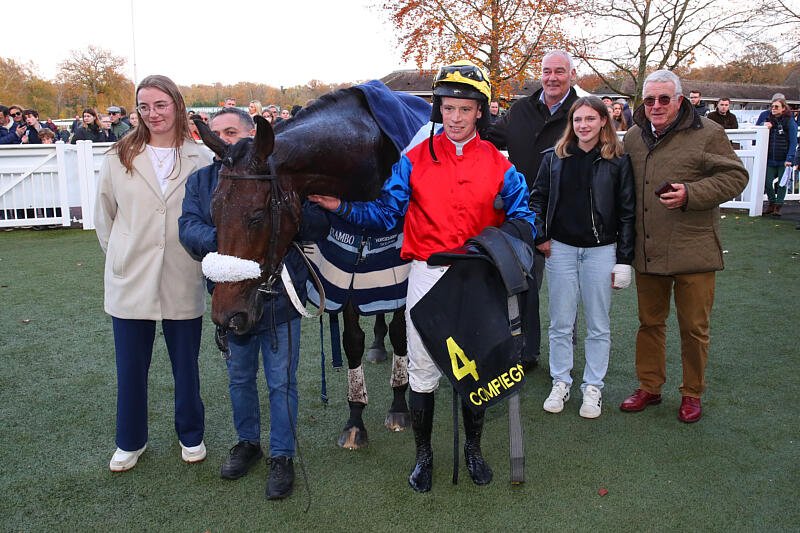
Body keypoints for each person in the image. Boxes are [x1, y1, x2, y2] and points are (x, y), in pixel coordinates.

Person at [309, 60, 536, 493]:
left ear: (480, 112)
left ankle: (473, 450)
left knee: (477, 366)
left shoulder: (500, 165)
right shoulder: (413, 160)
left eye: (465, 109)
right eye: (448, 108)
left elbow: (524, 218)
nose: (456, 117)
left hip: (477, 278)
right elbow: (384, 215)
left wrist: (496, 244)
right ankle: (423, 455)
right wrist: (339, 206)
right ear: (438, 109)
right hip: (427, 276)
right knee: (423, 367)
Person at [178, 107, 326, 499]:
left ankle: (282, 455)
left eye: (232, 131)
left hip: (280, 298)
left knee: (281, 382)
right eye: (218, 133)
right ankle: (247, 443)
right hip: (231, 295)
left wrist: (287, 217)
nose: (224, 139)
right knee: (240, 378)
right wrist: (232, 241)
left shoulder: (286, 176)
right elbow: (188, 228)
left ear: (251, 135)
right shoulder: (202, 181)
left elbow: (319, 225)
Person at [94, 74, 213, 472]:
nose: (152, 113)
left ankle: (191, 435)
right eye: (144, 106)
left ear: (177, 105)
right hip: (131, 277)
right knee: (130, 368)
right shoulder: (118, 155)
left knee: (186, 366)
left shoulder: (201, 158)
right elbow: (105, 217)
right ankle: (130, 441)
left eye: (160, 105)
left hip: (183, 272)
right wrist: (122, 255)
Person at [619, 70, 748, 423]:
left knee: (693, 328)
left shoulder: (708, 132)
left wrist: (691, 193)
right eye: (650, 100)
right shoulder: (634, 136)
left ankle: (692, 392)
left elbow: (736, 176)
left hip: (694, 250)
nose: (656, 106)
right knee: (649, 323)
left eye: (664, 99)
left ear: (679, 100)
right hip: (648, 249)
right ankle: (649, 386)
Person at [530, 96, 635, 419]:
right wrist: (541, 235)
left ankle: (593, 387)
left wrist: (624, 259)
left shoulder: (618, 161)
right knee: (561, 322)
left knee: (598, 324)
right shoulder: (554, 158)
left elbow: (627, 213)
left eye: (590, 118)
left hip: (601, 251)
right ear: (571, 123)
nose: (583, 125)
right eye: (578, 119)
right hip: (561, 250)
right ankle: (561, 381)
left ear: (604, 121)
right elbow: (537, 199)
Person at [485, 49, 580, 366]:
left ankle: (565, 352)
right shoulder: (521, 109)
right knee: (524, 284)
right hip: (526, 215)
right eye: (547, 71)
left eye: (559, 71)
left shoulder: (582, 111)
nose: (552, 78)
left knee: (567, 291)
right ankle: (525, 350)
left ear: (572, 75)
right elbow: (489, 136)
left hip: (569, 216)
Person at [755, 96, 797, 217]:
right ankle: (772, 202)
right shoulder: (768, 118)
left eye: (776, 107)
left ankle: (778, 206)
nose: (773, 108)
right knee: (767, 182)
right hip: (770, 158)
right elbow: (757, 127)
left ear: (783, 108)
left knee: (782, 184)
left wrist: (789, 158)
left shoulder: (789, 121)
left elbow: (793, 141)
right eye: (772, 106)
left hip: (783, 158)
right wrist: (763, 124)